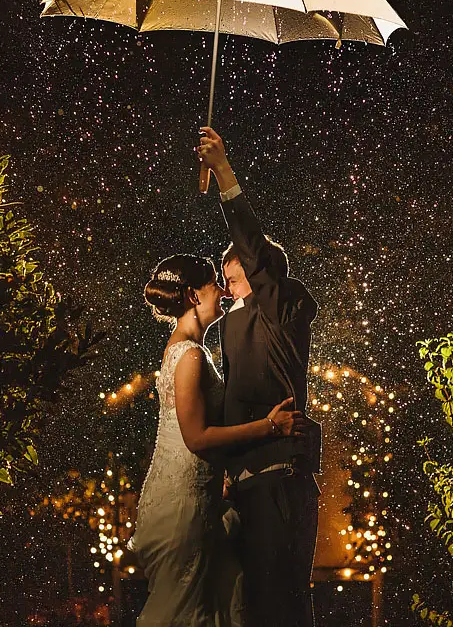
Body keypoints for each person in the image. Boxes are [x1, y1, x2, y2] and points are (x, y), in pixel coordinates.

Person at [132, 253, 306, 627]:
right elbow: (196, 437)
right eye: (215, 283)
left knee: (219, 603)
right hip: (185, 504)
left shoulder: (189, 350)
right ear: (195, 296)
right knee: (185, 611)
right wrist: (270, 426)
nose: (224, 291)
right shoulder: (190, 355)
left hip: (200, 496)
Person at [196, 126, 321, 627]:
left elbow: (250, 242)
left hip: (281, 481)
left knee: (283, 603)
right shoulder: (231, 326)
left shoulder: (283, 303)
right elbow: (231, 400)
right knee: (251, 608)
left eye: (233, 277)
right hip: (245, 486)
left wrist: (223, 170)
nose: (226, 291)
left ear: (260, 270)